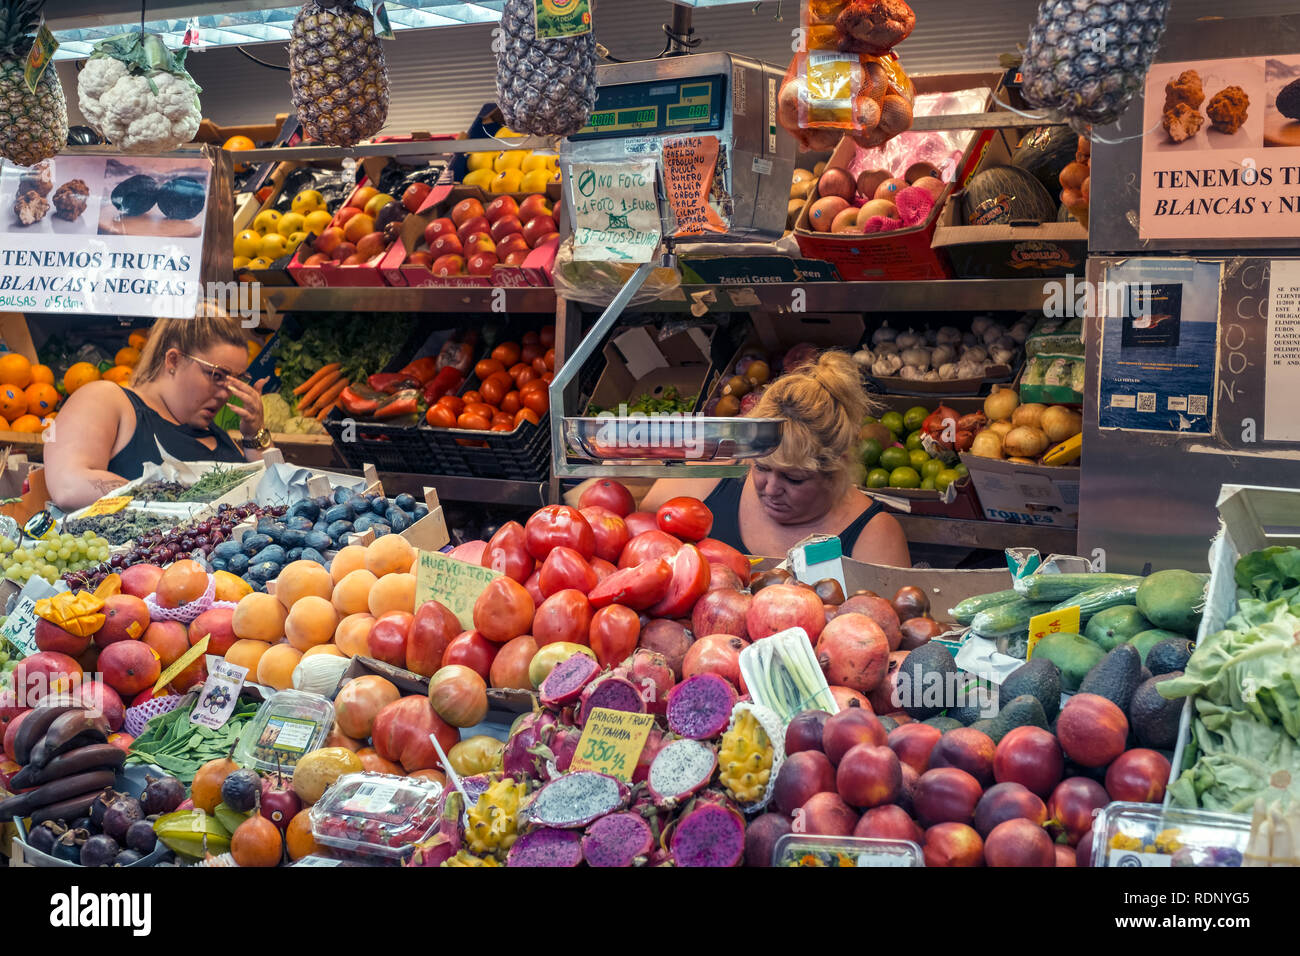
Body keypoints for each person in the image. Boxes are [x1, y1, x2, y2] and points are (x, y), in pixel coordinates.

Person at [642, 350, 910, 566]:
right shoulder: (707, 478)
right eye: (760, 467)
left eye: (793, 478)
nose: (770, 488)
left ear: (836, 468)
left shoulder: (874, 538)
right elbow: (639, 541)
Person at [45, 307, 272, 511]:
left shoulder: (217, 435)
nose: (225, 393)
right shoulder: (110, 400)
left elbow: (277, 496)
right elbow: (69, 485)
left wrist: (254, 435)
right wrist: (174, 499)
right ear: (173, 360)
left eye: (235, 381)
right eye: (217, 375)